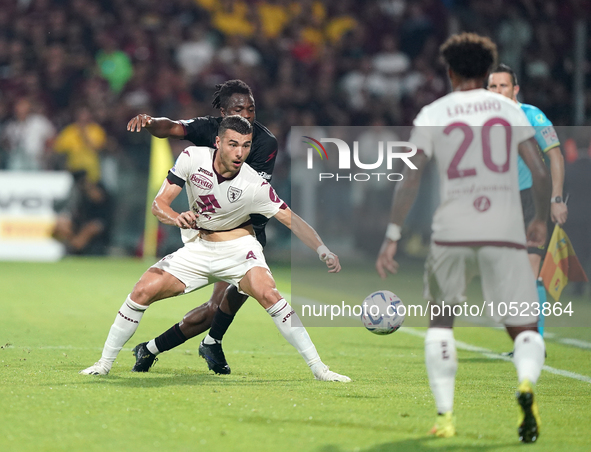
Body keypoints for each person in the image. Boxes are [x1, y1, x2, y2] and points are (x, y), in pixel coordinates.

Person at [80, 116, 350, 383]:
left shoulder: (254, 184)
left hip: (239, 250)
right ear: (218, 142)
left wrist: (322, 249)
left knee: (269, 294)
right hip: (198, 248)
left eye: (245, 145)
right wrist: (176, 217)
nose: (240, 152)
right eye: (233, 144)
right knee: (142, 291)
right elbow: (158, 205)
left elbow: (292, 219)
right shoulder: (192, 158)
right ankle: (104, 364)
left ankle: (319, 369)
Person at [375, 33, 551, 443]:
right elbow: (539, 173)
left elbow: (411, 177)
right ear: (489, 73)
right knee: (524, 327)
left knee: (440, 324)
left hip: (452, 232)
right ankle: (525, 383)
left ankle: (446, 417)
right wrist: (540, 218)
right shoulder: (509, 110)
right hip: (505, 231)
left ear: (450, 71)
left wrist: (393, 234)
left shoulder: (434, 112)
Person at [126, 80, 278, 372]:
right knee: (214, 310)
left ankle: (159, 348)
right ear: (222, 113)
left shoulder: (264, 143)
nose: (246, 115)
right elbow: (171, 127)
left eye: (251, 109)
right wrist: (149, 122)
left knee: (218, 309)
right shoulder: (208, 128)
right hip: (209, 234)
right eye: (238, 109)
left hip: (246, 233)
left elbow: (249, 196)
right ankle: (183, 346)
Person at [487, 64, 567, 335]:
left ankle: (534, 339)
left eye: (503, 85)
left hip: (534, 197)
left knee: (530, 268)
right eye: (493, 86)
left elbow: (555, 156)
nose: (498, 91)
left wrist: (556, 198)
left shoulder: (532, 116)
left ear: (515, 88)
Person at [52, 170, 112, 255]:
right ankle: (71, 248)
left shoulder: (99, 186)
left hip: (99, 221)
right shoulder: (76, 190)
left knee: (90, 228)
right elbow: (67, 206)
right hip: (81, 220)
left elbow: (98, 197)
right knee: (61, 225)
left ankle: (74, 249)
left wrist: (88, 187)